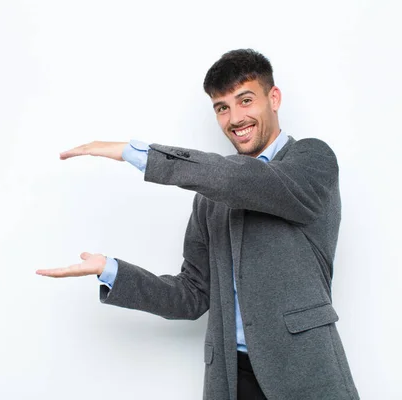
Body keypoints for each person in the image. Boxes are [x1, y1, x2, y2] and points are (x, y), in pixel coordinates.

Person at [36, 49, 359, 400]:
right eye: (222, 107)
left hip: (305, 372)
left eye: (245, 100)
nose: (235, 118)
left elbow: (252, 182)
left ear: (274, 98)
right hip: (231, 378)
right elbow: (192, 295)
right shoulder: (210, 197)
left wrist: (140, 155)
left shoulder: (312, 159)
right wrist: (112, 270)